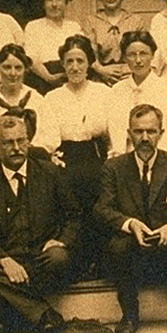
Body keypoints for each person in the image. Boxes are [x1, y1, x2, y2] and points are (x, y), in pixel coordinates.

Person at [94, 104, 167, 333]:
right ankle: (129, 315)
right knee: (118, 244)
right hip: (131, 252)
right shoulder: (114, 167)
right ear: (128, 133)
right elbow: (101, 209)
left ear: (161, 133)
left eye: (151, 131)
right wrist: (130, 224)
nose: (144, 138)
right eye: (138, 132)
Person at [0, 114, 79, 333]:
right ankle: (43, 314)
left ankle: (12, 312)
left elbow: (74, 215)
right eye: (8, 142)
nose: (16, 148)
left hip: (42, 260)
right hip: (8, 266)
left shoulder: (50, 173)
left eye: (21, 140)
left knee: (59, 258)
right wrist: (4, 260)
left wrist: (61, 240)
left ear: (29, 141)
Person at [43, 35, 111, 274]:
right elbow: (48, 135)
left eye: (80, 60)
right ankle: (75, 263)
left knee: (99, 191)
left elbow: (111, 131)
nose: (75, 67)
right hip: (65, 154)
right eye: (69, 61)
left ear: (89, 63)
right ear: (62, 64)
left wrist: (112, 155)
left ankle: (100, 261)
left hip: (96, 152)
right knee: (67, 193)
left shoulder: (103, 92)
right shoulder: (52, 97)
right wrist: (51, 156)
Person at [106, 30, 167, 156]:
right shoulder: (117, 90)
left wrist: (158, 160)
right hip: (125, 158)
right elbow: (114, 130)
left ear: (152, 55)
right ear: (124, 57)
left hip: (158, 157)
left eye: (143, 54)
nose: (138, 60)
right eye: (132, 55)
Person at [0, 43, 61, 159]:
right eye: (7, 67)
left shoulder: (36, 99)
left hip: (34, 158)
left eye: (18, 68)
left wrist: (28, 150)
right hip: (0, 161)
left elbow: (51, 135)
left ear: (25, 70)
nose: (13, 73)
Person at [23, 0, 83, 94]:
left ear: (66, 2)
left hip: (70, 79)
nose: (54, 4)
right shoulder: (33, 26)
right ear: (43, 3)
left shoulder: (73, 27)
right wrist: (49, 78)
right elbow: (31, 59)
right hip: (41, 80)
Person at [81, 0, 143, 85]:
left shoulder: (135, 21)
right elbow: (88, 53)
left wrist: (129, 71)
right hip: (100, 79)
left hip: (130, 77)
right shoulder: (91, 22)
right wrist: (101, 70)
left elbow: (142, 52)